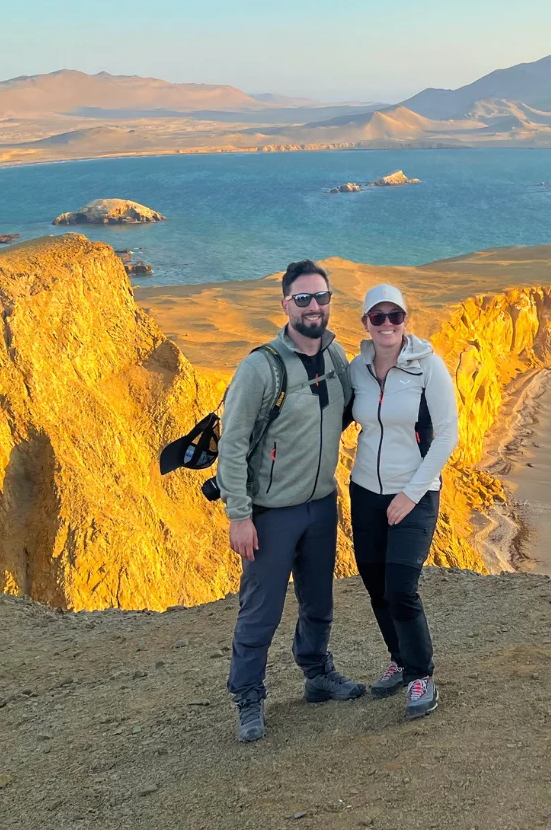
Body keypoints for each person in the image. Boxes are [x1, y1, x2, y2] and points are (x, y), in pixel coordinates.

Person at [217, 259, 365, 743]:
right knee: (261, 609)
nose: (314, 307)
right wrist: (240, 516)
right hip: (272, 513)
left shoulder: (336, 356)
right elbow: (232, 445)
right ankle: (248, 698)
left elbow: (352, 408)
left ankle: (317, 673)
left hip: (322, 504)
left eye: (321, 297)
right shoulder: (261, 367)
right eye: (303, 299)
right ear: (286, 305)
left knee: (318, 601)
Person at [347, 283, 459, 719]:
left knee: (400, 589)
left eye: (396, 316)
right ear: (366, 324)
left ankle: (421, 676)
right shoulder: (357, 369)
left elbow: (447, 434)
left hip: (414, 492)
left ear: (405, 320)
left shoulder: (428, 366)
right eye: (379, 317)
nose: (388, 324)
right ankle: (399, 658)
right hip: (364, 491)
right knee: (376, 588)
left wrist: (410, 494)